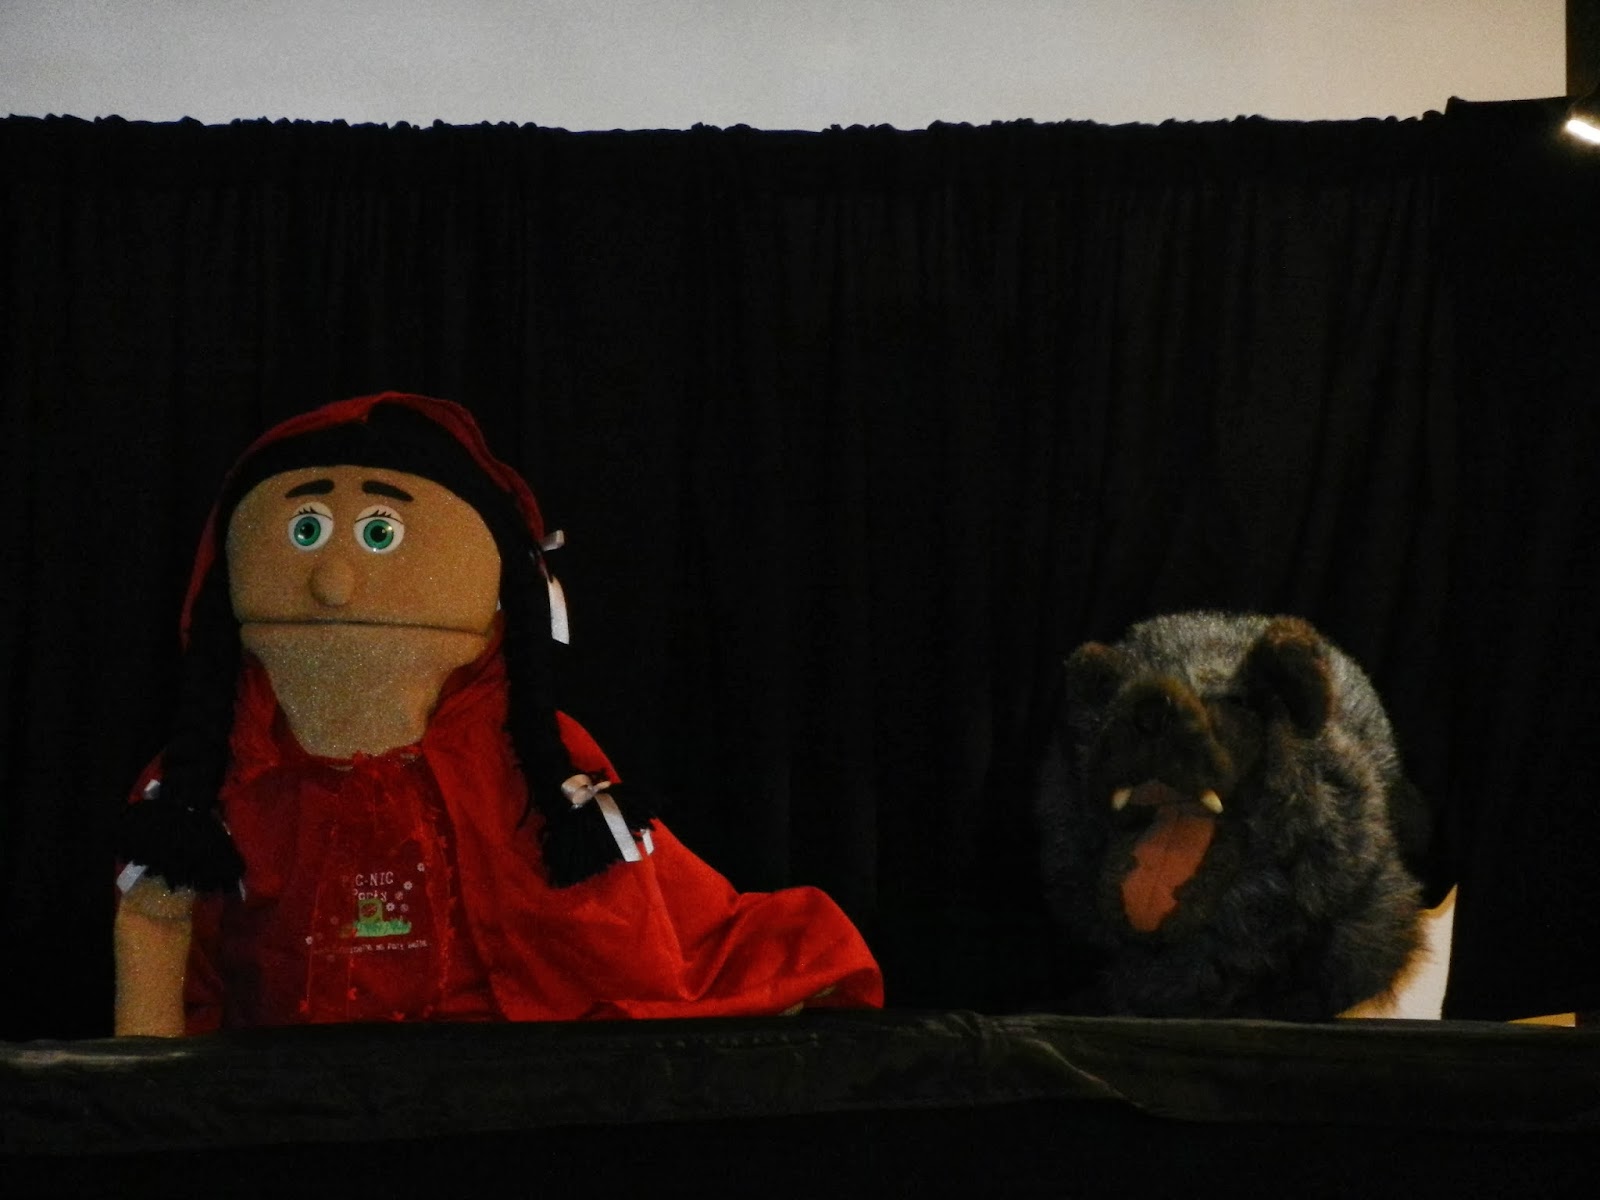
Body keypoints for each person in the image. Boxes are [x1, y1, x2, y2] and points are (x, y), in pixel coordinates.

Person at [114, 392, 882, 1034]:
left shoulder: (530, 763)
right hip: (294, 1099)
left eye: (380, 534)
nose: (334, 582)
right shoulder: (211, 782)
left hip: (495, 1086)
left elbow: (639, 928)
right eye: (305, 532)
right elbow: (160, 939)